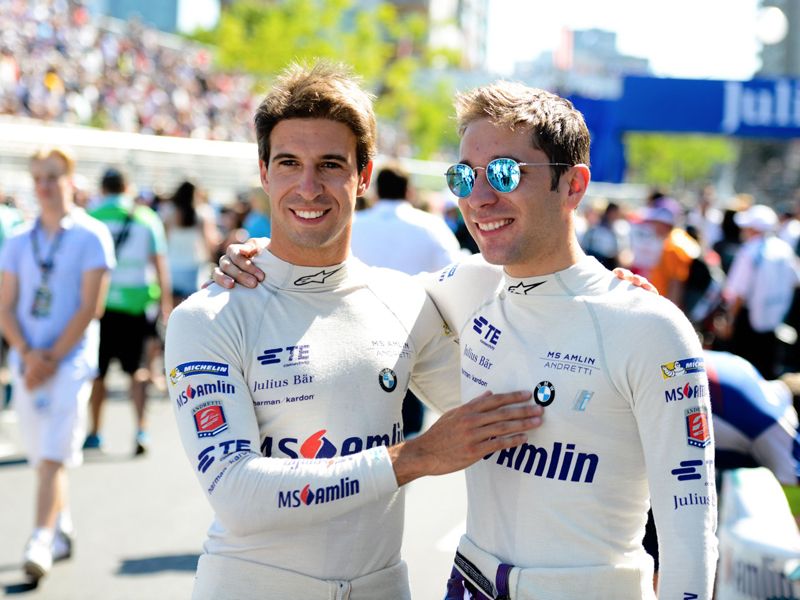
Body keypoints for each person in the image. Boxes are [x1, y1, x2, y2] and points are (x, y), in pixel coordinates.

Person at [218, 81, 717, 598]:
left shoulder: (648, 327)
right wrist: (260, 258)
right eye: (464, 176)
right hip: (469, 583)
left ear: (573, 185)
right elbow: (345, 296)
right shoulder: (462, 287)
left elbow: (690, 532)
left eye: (505, 172)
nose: (478, 198)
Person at [165, 62, 542, 600]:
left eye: (331, 165)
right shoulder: (207, 317)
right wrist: (413, 457)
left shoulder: (406, 298)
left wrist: (597, 295)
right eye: (289, 163)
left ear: (363, 176)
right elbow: (237, 494)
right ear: (264, 173)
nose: (309, 186)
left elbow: (512, 409)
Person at [0, 147, 114, 582]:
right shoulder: (17, 239)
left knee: (52, 454)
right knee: (42, 453)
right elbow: (6, 306)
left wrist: (51, 357)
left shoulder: (91, 235)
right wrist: (29, 355)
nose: (44, 187)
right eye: (37, 179)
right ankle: (61, 526)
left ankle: (40, 540)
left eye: (52, 177)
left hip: (70, 360)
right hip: (27, 358)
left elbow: (91, 306)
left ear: (70, 179)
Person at [352, 162, 463, 435]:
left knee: (358, 428)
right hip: (412, 341)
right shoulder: (432, 228)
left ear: (375, 190)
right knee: (408, 430)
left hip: (357, 338)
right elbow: (456, 275)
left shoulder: (353, 225)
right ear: (409, 191)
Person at [84, 167, 171, 455]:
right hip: (137, 304)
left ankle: (95, 432)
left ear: (103, 188)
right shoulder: (146, 217)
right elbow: (159, 262)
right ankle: (141, 429)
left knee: (98, 371)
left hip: (101, 304)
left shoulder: (92, 217)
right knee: (138, 371)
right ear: (127, 187)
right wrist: (165, 304)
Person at [719, 204, 800, 379]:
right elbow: (795, 281)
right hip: (773, 318)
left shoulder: (749, 252)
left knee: (744, 370)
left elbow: (738, 293)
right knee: (767, 370)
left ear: (754, 229)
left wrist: (729, 320)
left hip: (748, 319)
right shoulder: (784, 249)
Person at [162, 180, 220, 306]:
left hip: (172, 268)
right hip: (194, 270)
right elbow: (210, 243)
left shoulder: (169, 214)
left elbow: (163, 242)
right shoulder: (203, 214)